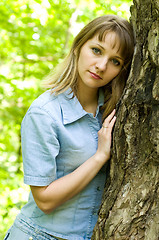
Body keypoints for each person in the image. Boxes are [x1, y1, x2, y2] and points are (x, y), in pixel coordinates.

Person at [4, 14, 135, 240]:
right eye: (96, 50)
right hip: (38, 235)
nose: (101, 66)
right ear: (78, 47)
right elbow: (44, 200)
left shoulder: (118, 111)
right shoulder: (44, 113)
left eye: (115, 61)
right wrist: (99, 156)